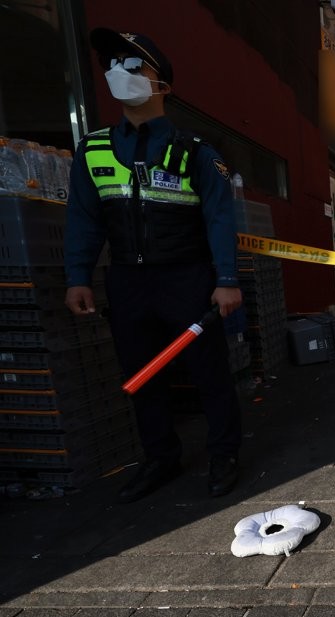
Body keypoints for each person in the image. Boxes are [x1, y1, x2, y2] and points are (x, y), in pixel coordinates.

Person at [64, 29, 243, 502]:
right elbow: (83, 219)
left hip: (187, 279)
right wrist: (77, 276)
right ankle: (159, 456)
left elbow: (220, 219)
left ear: (162, 83)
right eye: (115, 64)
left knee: (210, 372)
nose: (122, 75)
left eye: (135, 67)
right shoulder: (95, 150)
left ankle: (224, 452)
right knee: (142, 375)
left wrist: (226, 280)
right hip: (127, 281)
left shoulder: (195, 152)